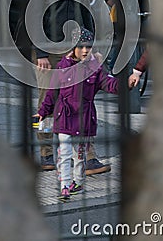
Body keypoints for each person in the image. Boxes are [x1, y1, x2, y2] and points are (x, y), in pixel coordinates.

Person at [27, 0, 111, 175]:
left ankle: (88, 157)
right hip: (48, 51)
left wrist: (90, 45)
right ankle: (45, 154)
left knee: (81, 100)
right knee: (46, 103)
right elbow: (31, 16)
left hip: (75, 50)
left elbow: (85, 11)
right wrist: (40, 51)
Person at [36, 27, 119, 200]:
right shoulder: (62, 67)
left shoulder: (94, 68)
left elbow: (108, 83)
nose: (85, 50)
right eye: (81, 47)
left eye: (88, 47)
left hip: (84, 119)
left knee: (80, 156)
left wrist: (124, 85)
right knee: (64, 154)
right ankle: (65, 185)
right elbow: (52, 92)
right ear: (72, 48)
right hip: (64, 117)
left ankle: (78, 182)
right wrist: (43, 111)